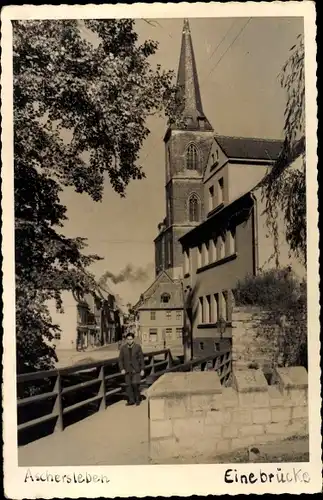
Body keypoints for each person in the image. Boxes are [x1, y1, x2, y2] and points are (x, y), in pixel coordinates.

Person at [118, 332, 145, 406]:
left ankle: (137, 399)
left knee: (135, 384)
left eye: (131, 339)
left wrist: (142, 369)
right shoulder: (123, 348)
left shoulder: (138, 347)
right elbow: (120, 360)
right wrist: (122, 369)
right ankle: (131, 400)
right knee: (128, 386)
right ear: (126, 340)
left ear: (133, 339)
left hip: (136, 370)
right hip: (127, 370)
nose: (129, 341)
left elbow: (141, 359)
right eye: (128, 339)